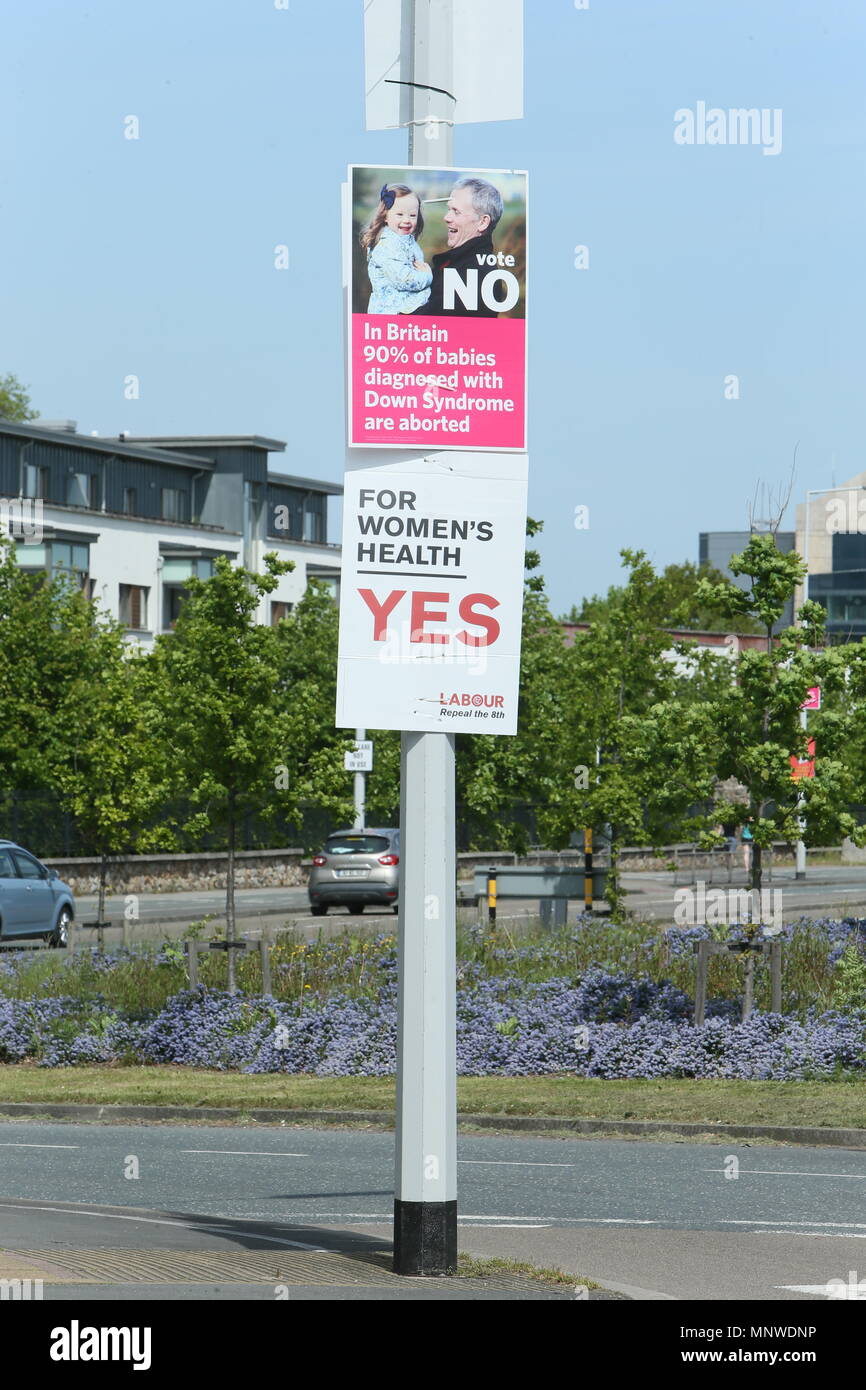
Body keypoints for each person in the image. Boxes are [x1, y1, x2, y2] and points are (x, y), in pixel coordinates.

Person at [414, 176, 505, 318]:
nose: (447, 217)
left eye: (456, 211)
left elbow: (421, 327)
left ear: (483, 222)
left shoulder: (472, 276)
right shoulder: (461, 266)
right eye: (449, 209)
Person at [361, 183, 432, 315]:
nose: (406, 220)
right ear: (386, 216)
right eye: (400, 214)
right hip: (393, 313)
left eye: (412, 215)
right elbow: (404, 280)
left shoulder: (406, 240)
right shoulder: (388, 245)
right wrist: (427, 277)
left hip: (406, 307)